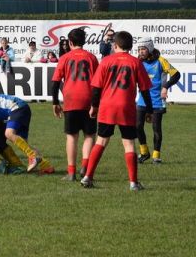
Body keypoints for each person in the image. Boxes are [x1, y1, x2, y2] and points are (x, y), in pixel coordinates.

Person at [81, 31, 153, 191]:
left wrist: (94, 106)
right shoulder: (136, 62)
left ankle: (88, 176)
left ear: (115, 45)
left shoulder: (106, 61)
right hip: (126, 107)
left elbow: (96, 87)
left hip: (107, 107)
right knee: (128, 144)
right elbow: (145, 90)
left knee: (101, 141)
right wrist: (149, 110)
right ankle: (133, 182)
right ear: (131, 46)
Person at [51, 28, 99, 181]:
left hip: (71, 99)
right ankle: (85, 165)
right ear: (84, 42)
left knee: (72, 136)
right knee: (89, 135)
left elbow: (55, 82)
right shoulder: (92, 58)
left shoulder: (65, 58)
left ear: (70, 42)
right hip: (88, 99)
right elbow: (98, 83)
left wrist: (54, 102)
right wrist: (96, 103)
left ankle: (71, 172)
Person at [0, 92, 54, 174]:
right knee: (23, 143)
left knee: (9, 134)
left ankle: (33, 156)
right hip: (20, 110)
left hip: (17, 107)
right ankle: (45, 165)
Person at [135, 37, 181, 164]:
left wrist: (165, 87)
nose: (141, 52)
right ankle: (144, 152)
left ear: (149, 48)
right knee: (138, 126)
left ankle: (156, 156)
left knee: (156, 128)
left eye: (143, 49)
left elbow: (176, 74)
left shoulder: (161, 61)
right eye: (139, 49)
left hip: (157, 100)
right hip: (142, 100)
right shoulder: (138, 61)